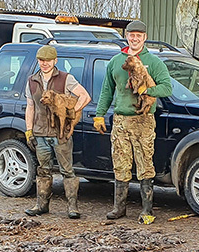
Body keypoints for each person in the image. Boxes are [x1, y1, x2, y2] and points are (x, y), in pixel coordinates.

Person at [93, 20, 172, 223]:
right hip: (120, 121)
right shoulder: (116, 62)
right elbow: (106, 91)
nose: (135, 38)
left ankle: (147, 209)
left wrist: (147, 90)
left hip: (143, 120)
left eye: (139, 35)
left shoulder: (154, 62)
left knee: (145, 164)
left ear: (144, 38)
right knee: (120, 164)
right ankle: (119, 208)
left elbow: (167, 88)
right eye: (131, 35)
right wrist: (99, 114)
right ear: (126, 36)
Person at [24, 44, 90, 218]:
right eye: (41, 60)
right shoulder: (32, 80)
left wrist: (72, 113)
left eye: (48, 60)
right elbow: (30, 107)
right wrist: (29, 130)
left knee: (67, 171)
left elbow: (84, 96)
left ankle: (72, 207)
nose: (44, 63)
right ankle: (41, 205)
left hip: (60, 135)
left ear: (55, 61)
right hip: (40, 133)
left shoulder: (66, 78)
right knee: (43, 169)